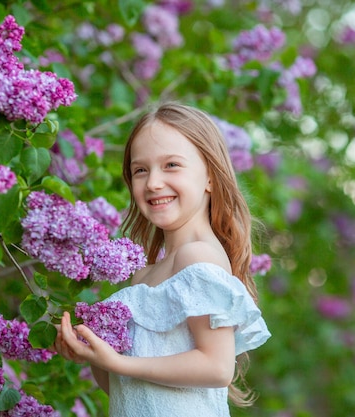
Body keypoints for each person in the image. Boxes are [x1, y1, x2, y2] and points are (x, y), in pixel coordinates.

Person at [55, 102, 271, 416]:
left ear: (210, 176)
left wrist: (118, 362)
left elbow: (216, 367)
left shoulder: (197, 258)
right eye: (140, 169)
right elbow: (131, 387)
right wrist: (95, 357)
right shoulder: (143, 276)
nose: (153, 182)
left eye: (171, 165)